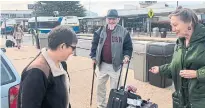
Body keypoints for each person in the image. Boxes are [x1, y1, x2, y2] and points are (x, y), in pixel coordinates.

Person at [149, 6, 205, 108]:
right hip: (180, 101)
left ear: (189, 23)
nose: (173, 29)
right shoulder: (179, 43)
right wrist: (160, 69)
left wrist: (197, 73)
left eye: (175, 25)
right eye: (171, 25)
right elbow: (175, 67)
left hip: (199, 102)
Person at [17, 25, 78, 108]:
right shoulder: (36, 72)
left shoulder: (61, 64)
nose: (72, 52)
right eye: (73, 48)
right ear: (62, 46)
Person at [90, 9, 133, 108]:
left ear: (118, 19)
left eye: (114, 19)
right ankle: (101, 105)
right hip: (102, 65)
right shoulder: (99, 31)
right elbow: (94, 45)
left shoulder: (124, 32)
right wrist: (93, 57)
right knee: (100, 87)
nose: (111, 21)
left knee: (115, 89)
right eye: (109, 19)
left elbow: (128, 47)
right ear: (106, 19)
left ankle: (114, 105)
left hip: (116, 66)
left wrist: (126, 56)